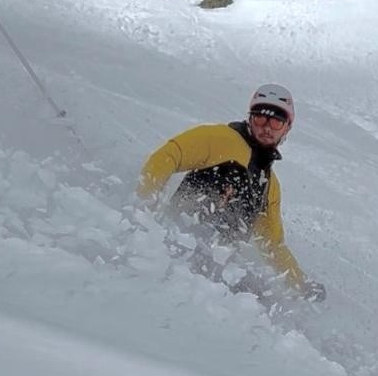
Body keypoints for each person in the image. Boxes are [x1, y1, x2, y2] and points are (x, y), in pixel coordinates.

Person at [137, 83, 325, 301]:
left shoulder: (270, 185)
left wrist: (301, 285)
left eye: (276, 121)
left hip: (215, 267)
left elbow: (272, 244)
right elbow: (167, 157)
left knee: (261, 297)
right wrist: (143, 211)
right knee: (234, 172)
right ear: (250, 118)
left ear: (287, 128)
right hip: (178, 244)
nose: (267, 127)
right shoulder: (221, 139)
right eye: (260, 118)